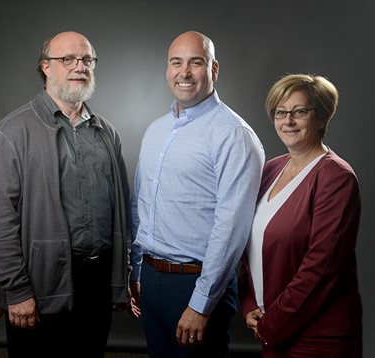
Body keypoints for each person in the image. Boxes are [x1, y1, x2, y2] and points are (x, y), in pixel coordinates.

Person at [0, 31, 131, 358]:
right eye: (68, 60)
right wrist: (16, 291)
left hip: (98, 284)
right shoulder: (11, 132)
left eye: (87, 60)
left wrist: (121, 278)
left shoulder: (107, 134)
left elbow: (123, 211)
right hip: (40, 284)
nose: (79, 67)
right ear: (45, 67)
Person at [128, 31, 265, 357]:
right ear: (167, 69)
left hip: (196, 284)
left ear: (214, 69)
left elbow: (231, 228)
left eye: (196, 63)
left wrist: (202, 303)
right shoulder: (156, 130)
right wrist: (136, 271)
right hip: (151, 279)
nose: (184, 72)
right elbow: (140, 205)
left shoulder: (234, 136)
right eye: (176, 62)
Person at [238, 74, 363, 357]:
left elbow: (321, 267)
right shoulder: (271, 169)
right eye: (280, 112)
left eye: (299, 112)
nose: (288, 121)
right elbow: (249, 248)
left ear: (321, 118)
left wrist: (272, 324)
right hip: (271, 329)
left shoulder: (336, 177)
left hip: (318, 337)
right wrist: (249, 306)